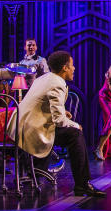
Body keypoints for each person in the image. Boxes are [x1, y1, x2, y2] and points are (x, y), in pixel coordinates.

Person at [14, 51, 105, 197]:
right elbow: (59, 121)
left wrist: (63, 112)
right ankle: (82, 185)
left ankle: (39, 171)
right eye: (72, 65)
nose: (74, 68)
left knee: (71, 131)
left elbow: (42, 105)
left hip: (23, 128)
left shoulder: (44, 78)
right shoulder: (57, 83)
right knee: (75, 134)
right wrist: (75, 124)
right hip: (33, 131)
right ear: (64, 68)